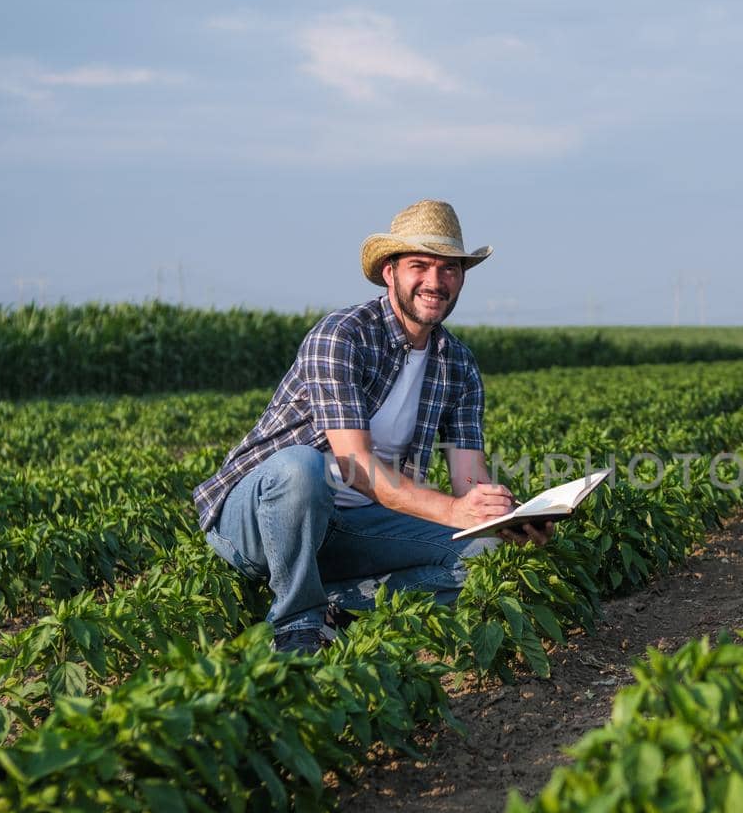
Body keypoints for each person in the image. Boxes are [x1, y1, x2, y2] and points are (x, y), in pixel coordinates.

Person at [192, 199, 548, 653]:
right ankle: (297, 624)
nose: (435, 282)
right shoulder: (342, 336)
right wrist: (453, 512)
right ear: (389, 272)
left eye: (450, 269)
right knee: (303, 468)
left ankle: (341, 606)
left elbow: (469, 480)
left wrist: (507, 518)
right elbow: (355, 467)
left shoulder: (458, 363)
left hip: (351, 526)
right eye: (420, 265)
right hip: (259, 521)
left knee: (486, 556)